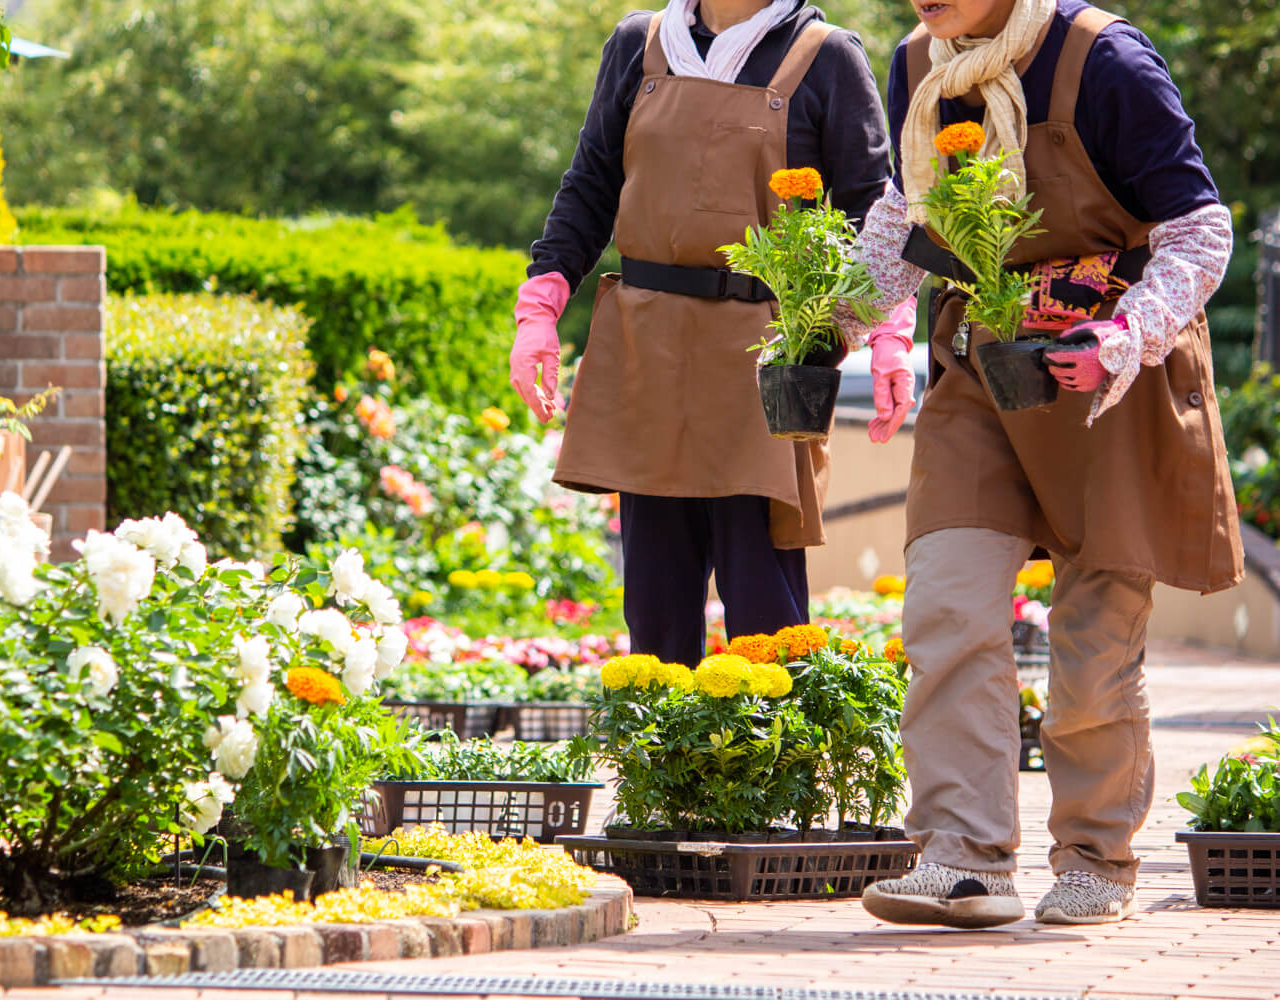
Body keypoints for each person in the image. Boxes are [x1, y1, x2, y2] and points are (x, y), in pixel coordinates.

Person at [838, 0, 1243, 927]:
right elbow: (908, 211)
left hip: (1111, 376)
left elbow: (1197, 228)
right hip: (982, 369)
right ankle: (964, 855)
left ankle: (1097, 859)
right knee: (947, 604)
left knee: (1093, 648)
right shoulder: (919, 68)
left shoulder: (1105, 61)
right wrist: (833, 320)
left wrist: (1124, 336)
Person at [509, 0, 913, 667]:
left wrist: (891, 335)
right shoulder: (640, 44)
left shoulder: (824, 54)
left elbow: (876, 211)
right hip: (646, 346)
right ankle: (663, 769)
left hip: (767, 358)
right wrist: (540, 310)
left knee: (765, 601)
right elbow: (589, 188)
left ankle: (774, 765)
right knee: (654, 600)